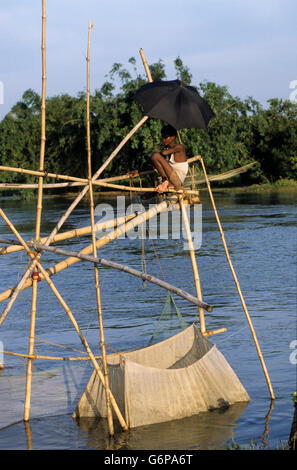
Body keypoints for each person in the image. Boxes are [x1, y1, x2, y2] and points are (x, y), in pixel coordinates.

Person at [151, 125, 188, 194]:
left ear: (172, 137)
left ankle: (165, 181)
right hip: (171, 179)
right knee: (145, 196)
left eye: (165, 137)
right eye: (162, 137)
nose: (163, 140)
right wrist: (138, 171)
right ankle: (166, 182)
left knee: (155, 155)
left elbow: (163, 153)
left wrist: (163, 148)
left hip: (177, 181)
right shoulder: (168, 150)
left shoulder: (179, 147)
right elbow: (157, 162)